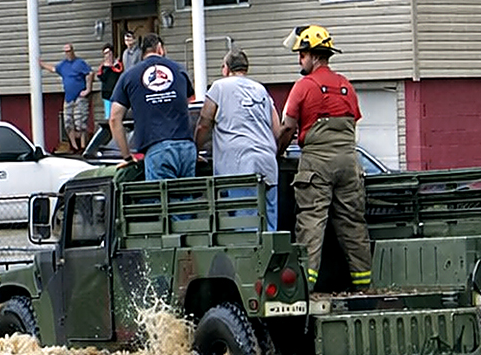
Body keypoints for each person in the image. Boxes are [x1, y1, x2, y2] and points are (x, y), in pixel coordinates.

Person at [276, 25, 372, 292]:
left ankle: (306, 289)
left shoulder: (303, 87)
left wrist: (276, 152)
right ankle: (363, 286)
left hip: (316, 165)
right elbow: (353, 122)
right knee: (353, 224)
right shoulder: (345, 86)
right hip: (349, 164)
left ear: (314, 55)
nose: (299, 60)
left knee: (311, 223)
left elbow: (287, 128)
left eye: (302, 54)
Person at [196, 48, 281, 231]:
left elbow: (203, 124)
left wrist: (196, 150)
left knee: (247, 227)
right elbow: (276, 128)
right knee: (269, 227)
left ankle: (252, 260)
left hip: (239, 166)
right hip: (267, 163)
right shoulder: (261, 90)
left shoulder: (219, 87)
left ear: (226, 68)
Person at [109, 33, 196, 179]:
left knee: (162, 199)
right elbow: (191, 107)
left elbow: (114, 119)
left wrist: (127, 157)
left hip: (157, 148)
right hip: (186, 147)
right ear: (160, 48)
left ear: (142, 53)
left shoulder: (129, 76)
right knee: (186, 200)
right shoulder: (180, 70)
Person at [40, 43, 92, 152]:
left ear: (73, 51)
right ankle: (74, 146)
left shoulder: (80, 63)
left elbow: (90, 74)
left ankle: (83, 146)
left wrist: (88, 89)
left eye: (69, 51)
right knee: (68, 122)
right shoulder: (63, 65)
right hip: (68, 97)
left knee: (80, 123)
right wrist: (41, 64)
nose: (68, 53)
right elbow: (53, 69)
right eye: (66, 51)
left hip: (80, 97)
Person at [95, 44, 123, 126]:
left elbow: (119, 72)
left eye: (109, 53)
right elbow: (101, 77)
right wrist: (107, 67)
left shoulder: (118, 64)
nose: (108, 55)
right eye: (106, 53)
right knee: (108, 116)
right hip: (106, 94)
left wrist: (112, 66)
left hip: (116, 93)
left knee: (116, 116)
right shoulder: (103, 67)